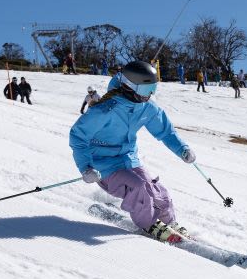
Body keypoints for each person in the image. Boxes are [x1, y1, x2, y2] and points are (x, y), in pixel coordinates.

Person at [69, 60, 196, 243]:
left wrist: (182, 149)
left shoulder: (147, 107)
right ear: (129, 86)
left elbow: (165, 131)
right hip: (103, 166)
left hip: (129, 160)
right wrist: (85, 168)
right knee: (137, 188)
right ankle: (148, 223)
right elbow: (78, 136)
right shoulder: (106, 110)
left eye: (153, 89)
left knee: (157, 191)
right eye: (145, 90)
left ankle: (169, 222)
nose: (149, 94)